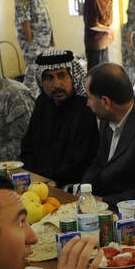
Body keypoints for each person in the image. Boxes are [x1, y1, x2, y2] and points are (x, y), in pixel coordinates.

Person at [19, 50, 99, 187]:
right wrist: (35, 176)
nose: (56, 84)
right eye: (49, 78)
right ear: (41, 81)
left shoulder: (86, 109)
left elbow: (79, 164)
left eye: (61, 76)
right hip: (38, 181)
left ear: (73, 77)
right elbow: (28, 149)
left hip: (71, 185)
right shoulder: (42, 103)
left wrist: (43, 176)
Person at [81, 63, 135, 207]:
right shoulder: (105, 118)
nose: (87, 103)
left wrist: (104, 202)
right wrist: (84, 192)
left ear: (106, 102)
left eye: (89, 98)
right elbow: (99, 163)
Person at [14, 0, 54, 97]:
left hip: (42, 41)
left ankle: (39, 103)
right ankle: (27, 104)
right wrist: (30, 40)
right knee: (32, 75)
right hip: (33, 42)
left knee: (41, 73)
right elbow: (24, 17)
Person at [83, 0, 125, 68]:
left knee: (105, 70)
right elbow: (91, 25)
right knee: (96, 72)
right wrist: (109, 30)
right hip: (95, 43)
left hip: (104, 41)